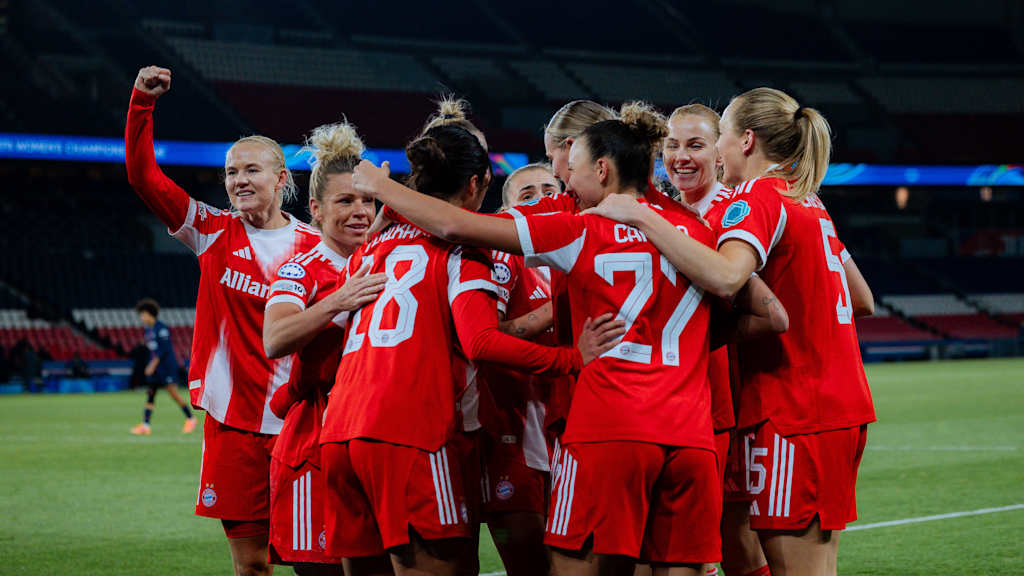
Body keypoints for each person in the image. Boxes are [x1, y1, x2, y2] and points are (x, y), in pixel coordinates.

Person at [355, 102, 724, 576]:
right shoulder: (696, 229)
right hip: (691, 436)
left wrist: (381, 187)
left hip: (606, 429)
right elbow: (760, 311)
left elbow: (454, 224)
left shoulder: (579, 227)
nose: (565, 182)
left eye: (571, 167)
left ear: (603, 169)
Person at [582, 88, 875, 576]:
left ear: (744, 141)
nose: (708, 152)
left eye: (712, 141)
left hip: (793, 405)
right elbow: (862, 299)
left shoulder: (756, 197)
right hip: (834, 399)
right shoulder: (806, 198)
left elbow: (725, 276)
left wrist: (639, 215)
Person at [321, 123, 619, 576]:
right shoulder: (464, 247)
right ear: (479, 183)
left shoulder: (373, 244)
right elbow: (480, 341)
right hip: (412, 435)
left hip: (341, 431)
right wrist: (572, 358)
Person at [126, 66, 321, 576]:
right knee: (252, 565)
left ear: (282, 179)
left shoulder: (318, 247)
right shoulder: (211, 230)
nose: (238, 181)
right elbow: (143, 177)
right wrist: (141, 104)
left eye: (251, 170)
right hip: (232, 425)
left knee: (312, 559)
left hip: (298, 423)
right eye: (232, 172)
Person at [260, 119, 389, 575]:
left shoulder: (388, 258)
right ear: (315, 208)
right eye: (346, 200)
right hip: (317, 441)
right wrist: (339, 299)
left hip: (377, 438)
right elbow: (275, 338)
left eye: (368, 200)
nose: (360, 211)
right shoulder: (301, 269)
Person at [663, 103, 766, 576]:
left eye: (696, 145)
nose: (681, 157)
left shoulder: (737, 211)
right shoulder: (660, 212)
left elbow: (767, 308)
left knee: (731, 542)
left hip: (727, 400)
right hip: (674, 400)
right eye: (672, 145)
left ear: (720, 153)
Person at [129, 298, 196, 435]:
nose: (141, 318)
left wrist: (152, 365)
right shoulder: (148, 331)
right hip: (157, 368)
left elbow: (164, 350)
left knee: (173, 394)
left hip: (166, 367)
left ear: (149, 314)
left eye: (142, 314)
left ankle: (191, 418)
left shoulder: (161, 328)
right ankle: (145, 425)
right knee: (151, 394)